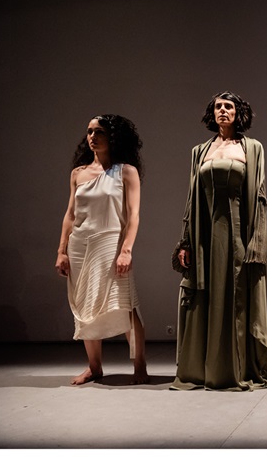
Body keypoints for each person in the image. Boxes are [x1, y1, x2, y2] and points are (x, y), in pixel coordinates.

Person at [171, 91, 267, 391]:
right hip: (204, 234)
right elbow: (191, 199)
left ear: (238, 113)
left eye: (229, 106)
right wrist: (186, 241)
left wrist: (257, 241)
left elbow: (260, 196)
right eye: (218, 106)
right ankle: (201, 369)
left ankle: (236, 367)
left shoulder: (252, 148)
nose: (223, 111)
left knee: (236, 293)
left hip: (238, 232)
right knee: (205, 294)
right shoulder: (199, 151)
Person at [55, 114, 149, 385]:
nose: (92, 137)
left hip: (110, 244)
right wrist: (61, 250)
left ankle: (140, 366)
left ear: (113, 137)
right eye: (89, 131)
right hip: (79, 245)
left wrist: (126, 250)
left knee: (126, 304)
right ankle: (94, 368)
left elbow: (133, 215)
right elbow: (70, 214)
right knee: (85, 306)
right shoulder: (78, 173)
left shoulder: (126, 171)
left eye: (99, 132)